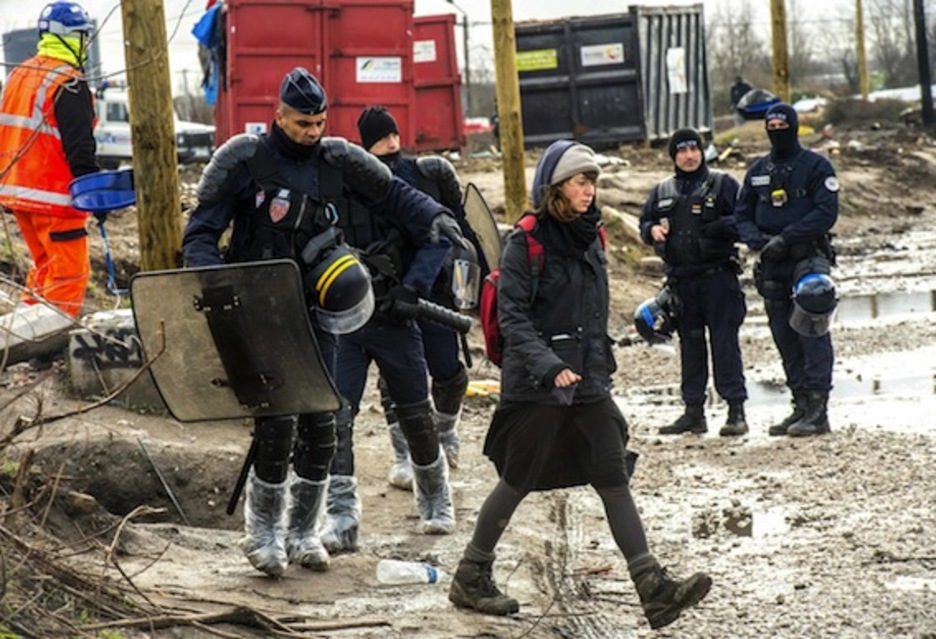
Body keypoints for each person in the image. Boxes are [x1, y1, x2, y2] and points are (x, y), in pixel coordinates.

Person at [182, 67, 465, 576]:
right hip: (260, 307)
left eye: (318, 122)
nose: (312, 133)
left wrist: (435, 218)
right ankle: (262, 533)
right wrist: (213, 280)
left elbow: (396, 195)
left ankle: (302, 532)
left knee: (323, 421)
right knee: (277, 422)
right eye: (302, 124)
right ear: (279, 115)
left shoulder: (338, 158)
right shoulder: (243, 160)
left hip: (320, 308)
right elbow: (201, 230)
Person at [448, 140, 712, 630]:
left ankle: (651, 587)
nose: (589, 190)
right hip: (537, 385)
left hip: (588, 380)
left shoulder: (593, 236)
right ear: (555, 188)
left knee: (612, 474)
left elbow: (592, 311)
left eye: (592, 181)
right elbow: (513, 320)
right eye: (579, 181)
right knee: (518, 479)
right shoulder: (524, 241)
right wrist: (549, 367)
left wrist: (600, 360)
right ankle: (471, 573)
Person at [316, 107, 466, 554]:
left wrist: (412, 287)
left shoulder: (398, 192)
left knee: (417, 413)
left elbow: (437, 235)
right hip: (344, 322)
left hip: (395, 319)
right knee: (337, 418)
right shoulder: (327, 196)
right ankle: (341, 518)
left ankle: (437, 502)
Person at [356, 105, 476, 490]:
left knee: (448, 372)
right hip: (387, 298)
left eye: (393, 135)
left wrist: (459, 284)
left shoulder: (427, 177)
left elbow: (454, 235)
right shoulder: (359, 184)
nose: (390, 143)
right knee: (397, 381)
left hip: (433, 292)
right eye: (380, 139)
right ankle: (405, 455)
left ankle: (446, 434)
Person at [735, 103, 838, 437]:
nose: (777, 128)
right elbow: (742, 214)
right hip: (772, 261)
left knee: (811, 329)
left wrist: (787, 237)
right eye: (772, 124)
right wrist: (757, 241)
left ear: (793, 126)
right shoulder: (758, 171)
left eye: (782, 123)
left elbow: (826, 213)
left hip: (807, 256)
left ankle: (819, 410)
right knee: (783, 333)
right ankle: (800, 404)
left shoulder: (816, 166)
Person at [639, 128, 748, 436]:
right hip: (682, 283)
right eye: (682, 151)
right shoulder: (662, 190)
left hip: (718, 278)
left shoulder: (723, 184)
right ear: (674, 156)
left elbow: (745, 219)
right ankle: (693, 412)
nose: (689, 156)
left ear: (702, 152)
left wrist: (719, 228)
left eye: (694, 150)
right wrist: (651, 231)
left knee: (725, 344)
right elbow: (644, 221)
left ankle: (736, 411)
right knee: (690, 345)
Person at [0, 2, 99, 317]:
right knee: (68, 276)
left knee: (45, 271)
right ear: (72, 37)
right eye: (84, 36)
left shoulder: (20, 74)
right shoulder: (69, 82)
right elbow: (80, 150)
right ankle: (51, 344)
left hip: (19, 195)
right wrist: (95, 193)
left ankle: (25, 337)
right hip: (55, 198)